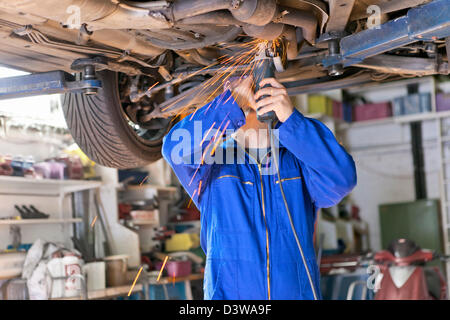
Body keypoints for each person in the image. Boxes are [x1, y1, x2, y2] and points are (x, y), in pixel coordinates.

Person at [162, 75, 357, 300]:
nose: (252, 96)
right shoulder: (211, 165)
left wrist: (292, 120)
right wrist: (230, 103)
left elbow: (342, 178)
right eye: (243, 90)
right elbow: (172, 148)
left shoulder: (297, 161)